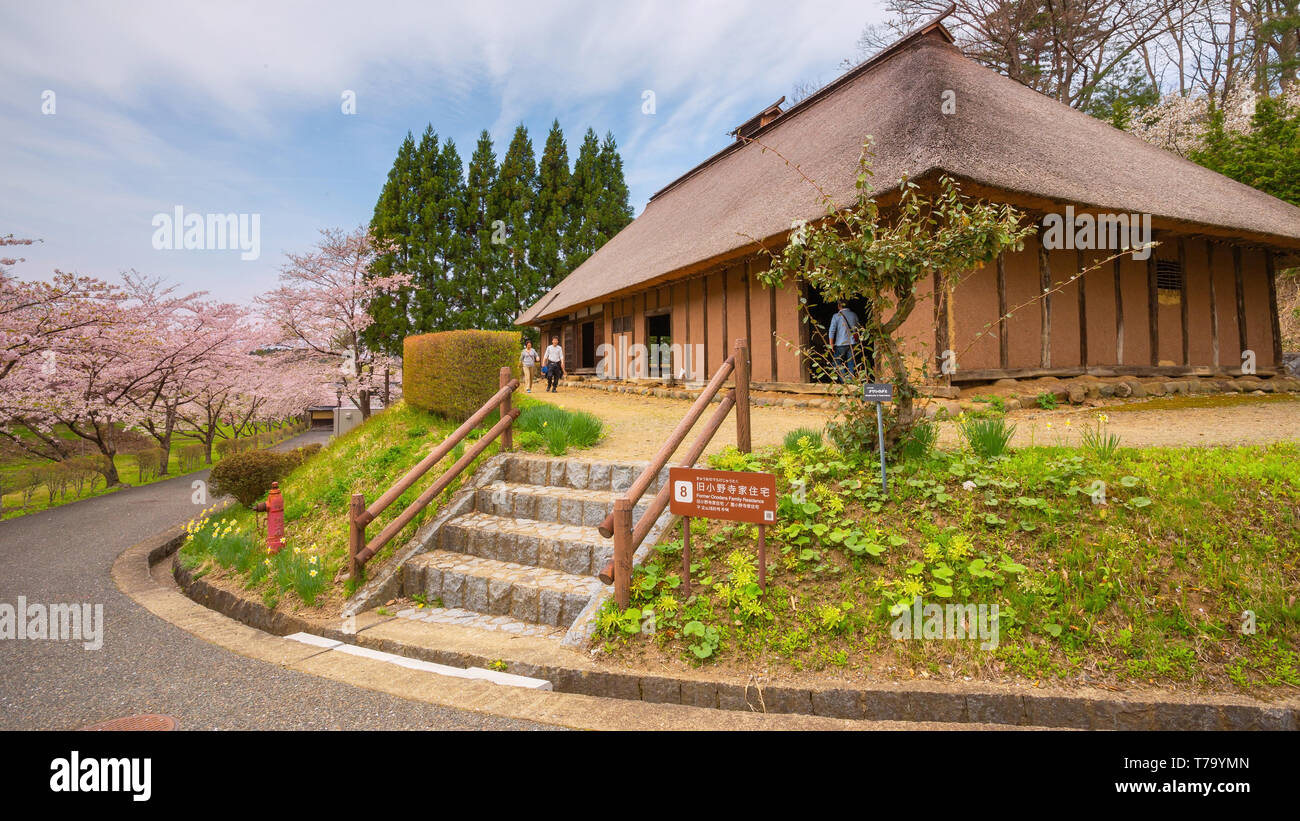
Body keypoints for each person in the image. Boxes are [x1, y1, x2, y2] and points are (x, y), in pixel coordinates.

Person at [828, 301, 859, 383]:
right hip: (852, 343)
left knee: (837, 362)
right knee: (851, 364)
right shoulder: (854, 315)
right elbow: (858, 328)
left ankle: (845, 382)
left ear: (839, 306)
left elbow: (832, 330)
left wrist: (831, 344)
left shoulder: (836, 316)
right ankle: (852, 383)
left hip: (841, 344)